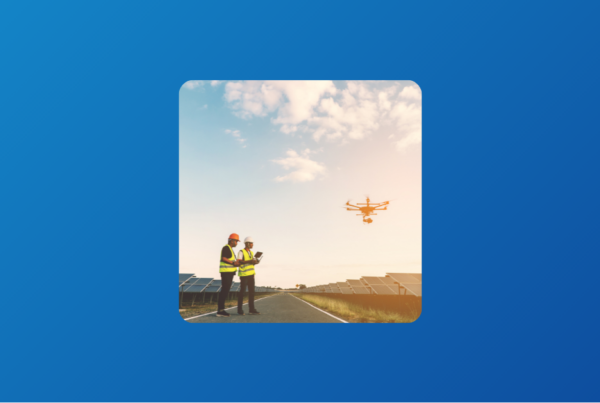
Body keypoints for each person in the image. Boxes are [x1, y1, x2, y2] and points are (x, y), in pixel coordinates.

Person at [216, 233, 242, 317]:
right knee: (224, 291)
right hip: (226, 273)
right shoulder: (226, 248)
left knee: (225, 291)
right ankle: (220, 310)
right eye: (236, 241)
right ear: (232, 241)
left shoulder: (229, 249)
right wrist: (233, 263)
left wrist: (236, 263)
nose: (237, 243)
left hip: (229, 273)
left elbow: (229, 260)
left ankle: (221, 310)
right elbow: (224, 258)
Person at [237, 236, 261, 315]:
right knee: (242, 292)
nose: (252, 245)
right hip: (244, 275)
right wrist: (250, 261)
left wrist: (255, 262)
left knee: (252, 292)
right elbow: (239, 262)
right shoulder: (241, 252)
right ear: (247, 244)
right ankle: (239, 309)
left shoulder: (252, 253)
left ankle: (252, 309)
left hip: (251, 275)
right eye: (251, 243)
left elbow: (251, 264)